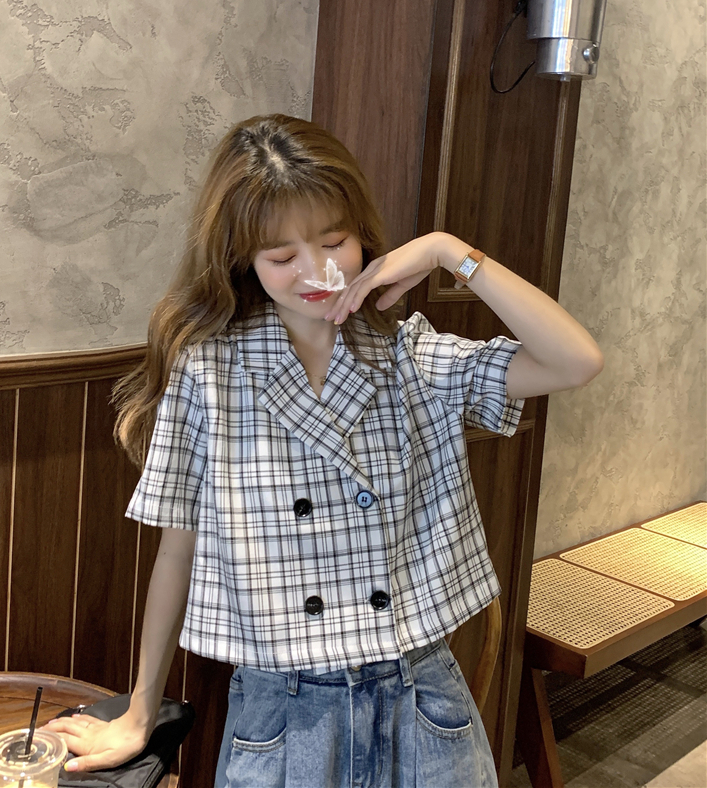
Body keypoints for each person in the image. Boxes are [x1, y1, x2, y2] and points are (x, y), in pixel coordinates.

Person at [45, 114, 603, 787]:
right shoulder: (210, 373)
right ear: (242, 259)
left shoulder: (408, 354)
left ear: (361, 234)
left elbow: (576, 360)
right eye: (281, 257)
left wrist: (447, 251)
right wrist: (139, 713)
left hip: (421, 701)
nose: (316, 271)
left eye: (334, 241)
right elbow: (177, 552)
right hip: (284, 714)